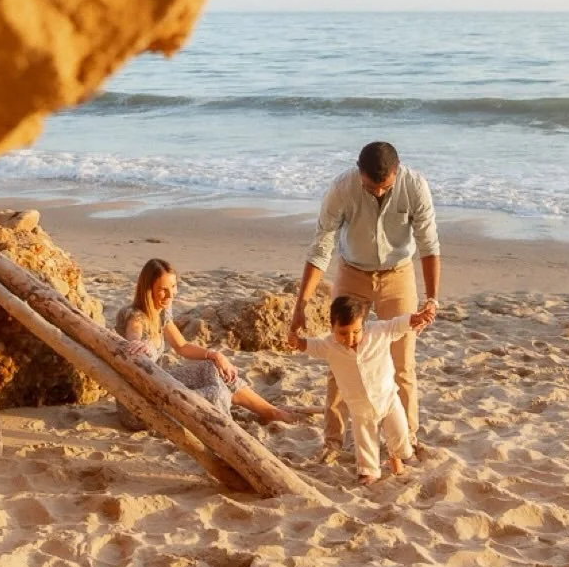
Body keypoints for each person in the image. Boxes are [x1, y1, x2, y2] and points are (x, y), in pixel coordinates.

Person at [287, 140, 440, 457]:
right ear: (360, 174)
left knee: (402, 362)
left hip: (398, 273)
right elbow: (320, 248)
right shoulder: (341, 189)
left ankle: (405, 437)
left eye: (385, 187)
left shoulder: (415, 186)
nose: (379, 193)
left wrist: (432, 298)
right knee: (339, 355)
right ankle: (333, 439)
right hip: (352, 271)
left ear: (396, 174)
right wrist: (301, 304)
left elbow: (429, 244)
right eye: (372, 187)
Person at [116, 258, 307, 425]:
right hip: (141, 403)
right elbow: (134, 341)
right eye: (163, 290)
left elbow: (182, 346)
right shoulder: (135, 317)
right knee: (217, 393)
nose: (171, 294)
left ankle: (271, 412)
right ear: (148, 290)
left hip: (160, 382)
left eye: (173, 286)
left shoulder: (161, 311)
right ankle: (235, 424)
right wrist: (142, 346)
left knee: (213, 368)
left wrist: (216, 355)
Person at [289, 294, 432, 484]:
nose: (350, 338)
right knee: (365, 441)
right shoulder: (329, 345)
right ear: (332, 328)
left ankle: (397, 456)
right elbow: (312, 346)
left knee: (400, 434)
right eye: (343, 333)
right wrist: (297, 342)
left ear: (363, 324)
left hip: (388, 398)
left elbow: (395, 325)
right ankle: (370, 471)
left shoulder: (377, 331)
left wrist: (413, 319)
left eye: (356, 332)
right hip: (359, 407)